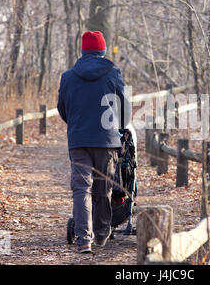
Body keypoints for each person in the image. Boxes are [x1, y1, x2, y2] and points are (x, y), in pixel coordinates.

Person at [57, 31, 131, 253]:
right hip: (106, 141)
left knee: (81, 189)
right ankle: (100, 234)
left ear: (83, 50)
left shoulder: (68, 76)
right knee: (103, 189)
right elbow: (124, 108)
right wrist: (120, 127)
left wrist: (76, 125)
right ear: (103, 50)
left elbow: (62, 108)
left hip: (78, 140)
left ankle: (83, 240)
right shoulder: (113, 74)